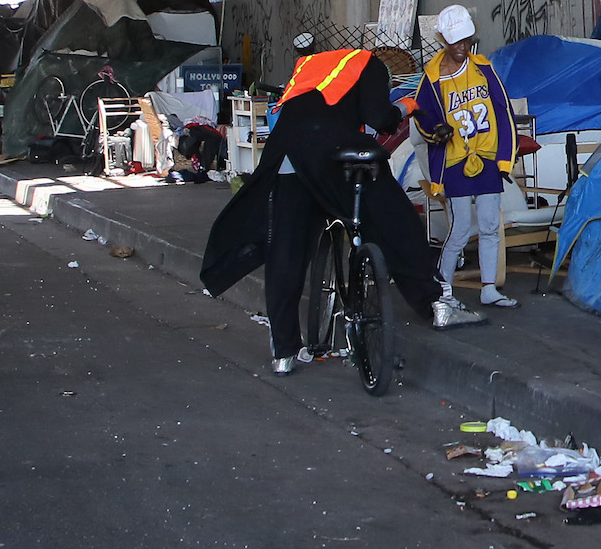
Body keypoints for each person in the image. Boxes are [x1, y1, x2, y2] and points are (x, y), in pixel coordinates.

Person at [201, 43, 485, 377]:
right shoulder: (370, 64)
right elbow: (378, 117)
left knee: (286, 251)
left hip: (287, 156)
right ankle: (437, 303)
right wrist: (405, 107)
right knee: (394, 218)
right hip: (334, 150)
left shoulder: (308, 67)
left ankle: (284, 351)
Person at [412, 5, 521, 311]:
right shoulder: (433, 78)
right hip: (455, 162)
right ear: (444, 42)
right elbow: (422, 115)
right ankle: (443, 287)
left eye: (466, 41)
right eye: (455, 43)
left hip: (485, 157)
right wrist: (437, 131)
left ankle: (489, 287)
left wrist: (504, 157)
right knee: (460, 228)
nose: (462, 48)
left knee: (488, 224)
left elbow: (502, 110)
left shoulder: (483, 68)